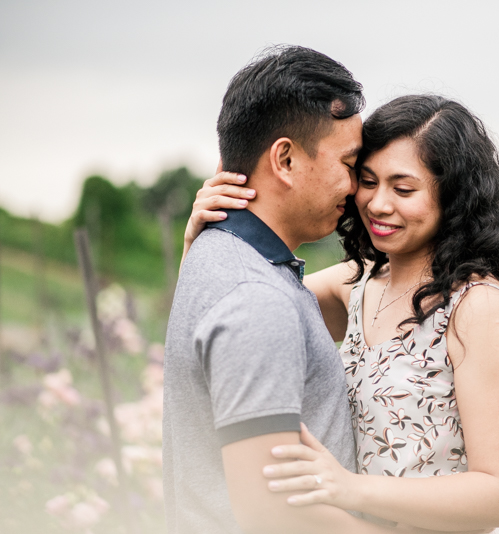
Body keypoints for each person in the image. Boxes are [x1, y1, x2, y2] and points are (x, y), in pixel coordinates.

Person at [184, 94, 499, 532]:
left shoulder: (478, 307)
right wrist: (205, 243)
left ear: (453, 197)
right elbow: (238, 311)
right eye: (368, 181)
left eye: (404, 188)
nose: (377, 204)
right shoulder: (353, 286)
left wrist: (348, 488)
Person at [164, 45, 426, 534]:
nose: (356, 189)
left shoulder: (213, 256)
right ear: (284, 158)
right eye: (350, 163)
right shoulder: (255, 296)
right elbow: (272, 512)